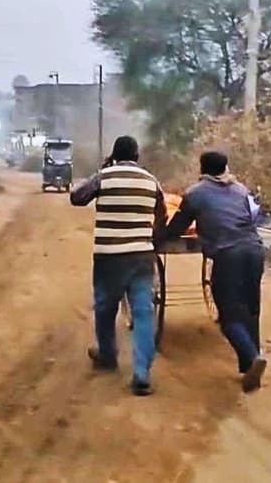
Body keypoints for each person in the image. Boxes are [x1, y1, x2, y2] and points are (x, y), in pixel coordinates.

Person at [162, 151, 267, 393]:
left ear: (202, 169)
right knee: (251, 309)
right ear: (225, 167)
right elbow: (254, 217)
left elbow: (177, 227)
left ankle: (252, 357)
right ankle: (249, 368)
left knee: (228, 315)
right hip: (254, 250)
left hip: (228, 254)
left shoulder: (195, 193)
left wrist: (157, 238)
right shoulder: (241, 189)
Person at [70, 136, 167, 396]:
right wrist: (150, 238)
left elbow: (77, 197)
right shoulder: (151, 181)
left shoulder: (103, 177)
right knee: (143, 312)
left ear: (113, 155)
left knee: (105, 307)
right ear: (137, 156)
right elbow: (162, 215)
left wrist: (103, 169)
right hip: (141, 257)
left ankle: (108, 355)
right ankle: (142, 374)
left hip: (109, 257)